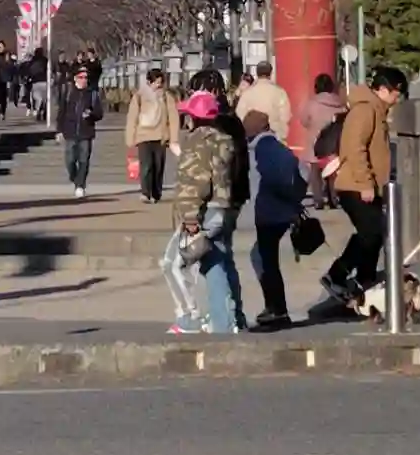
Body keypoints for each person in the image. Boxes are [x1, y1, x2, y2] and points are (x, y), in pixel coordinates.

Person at [319, 65, 407, 306]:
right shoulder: (366, 110)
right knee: (371, 232)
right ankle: (337, 275)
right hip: (355, 185)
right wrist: (366, 182)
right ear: (383, 89)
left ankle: (365, 280)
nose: (397, 99)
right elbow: (354, 147)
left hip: (369, 185)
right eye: (396, 93)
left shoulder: (377, 110)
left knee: (376, 234)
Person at [170, 86, 244, 335]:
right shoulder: (224, 140)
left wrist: (190, 216)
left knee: (190, 263)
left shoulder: (196, 142)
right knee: (222, 260)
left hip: (205, 210)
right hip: (223, 206)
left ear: (194, 117)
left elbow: (194, 182)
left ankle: (218, 322)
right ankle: (235, 317)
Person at [242, 107, 307, 330]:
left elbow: (270, 179)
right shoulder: (281, 147)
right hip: (281, 211)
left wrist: (277, 197)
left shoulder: (259, 150)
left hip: (269, 212)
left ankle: (277, 308)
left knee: (266, 260)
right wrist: (295, 200)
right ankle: (275, 307)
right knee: (262, 256)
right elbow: (302, 174)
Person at [125, 68, 179, 204]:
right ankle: (145, 193)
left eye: (160, 83)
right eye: (156, 82)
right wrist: (130, 137)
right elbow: (132, 117)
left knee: (158, 166)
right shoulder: (139, 96)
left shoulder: (167, 97)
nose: (158, 85)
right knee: (146, 165)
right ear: (149, 82)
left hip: (160, 136)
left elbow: (173, 118)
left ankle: (156, 192)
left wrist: (174, 138)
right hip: (143, 135)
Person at [58, 64, 106, 198]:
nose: (84, 80)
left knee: (84, 160)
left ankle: (80, 185)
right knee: (70, 160)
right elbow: (61, 113)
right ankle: (75, 178)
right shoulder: (68, 93)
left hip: (86, 132)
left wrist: (91, 114)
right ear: (75, 78)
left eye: (86, 77)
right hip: (70, 132)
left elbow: (99, 113)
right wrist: (59, 130)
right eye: (81, 77)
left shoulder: (92, 94)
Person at [299, 73, 345, 207]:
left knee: (315, 171)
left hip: (315, 141)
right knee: (333, 170)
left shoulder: (312, 103)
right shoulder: (339, 103)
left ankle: (318, 199)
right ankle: (333, 198)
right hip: (334, 142)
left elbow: (304, 120)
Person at [235, 61, 292, 142]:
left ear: (257, 74)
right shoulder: (279, 92)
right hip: (274, 138)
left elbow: (240, 115)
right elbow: (285, 116)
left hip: (252, 139)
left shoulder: (247, 93)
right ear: (270, 74)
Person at [24, 46, 49, 121]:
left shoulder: (32, 61)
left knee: (38, 98)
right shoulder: (45, 60)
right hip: (45, 81)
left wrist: (28, 79)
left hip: (35, 82)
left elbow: (28, 71)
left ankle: (38, 110)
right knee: (45, 99)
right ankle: (44, 111)